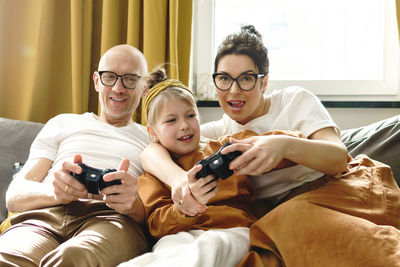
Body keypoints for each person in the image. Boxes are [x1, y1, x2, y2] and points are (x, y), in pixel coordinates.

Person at [140, 25, 400, 266]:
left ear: (264, 81)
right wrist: (178, 181)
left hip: (338, 189)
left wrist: (282, 146)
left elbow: (338, 158)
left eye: (246, 79)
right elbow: (150, 149)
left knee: (287, 221)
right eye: (224, 79)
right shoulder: (221, 131)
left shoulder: (293, 100)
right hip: (284, 217)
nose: (233, 91)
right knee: (274, 230)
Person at [0, 44, 151, 266]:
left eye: (130, 79)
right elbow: (14, 197)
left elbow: (164, 211)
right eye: (109, 77)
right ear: (97, 81)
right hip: (44, 219)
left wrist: (134, 206)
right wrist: (55, 193)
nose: (118, 88)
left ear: (144, 88)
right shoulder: (63, 123)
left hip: (110, 220)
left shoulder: (152, 139)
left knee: (74, 258)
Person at [119, 68, 261, 267]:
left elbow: (269, 143)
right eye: (171, 120)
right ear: (153, 133)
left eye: (190, 116)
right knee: (160, 256)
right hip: (180, 234)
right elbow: (155, 225)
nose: (184, 125)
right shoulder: (152, 176)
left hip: (232, 228)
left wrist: (286, 144)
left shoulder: (225, 147)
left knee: (210, 247)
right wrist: (183, 209)